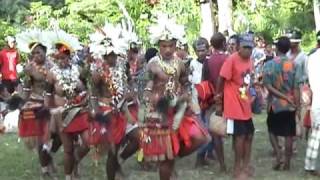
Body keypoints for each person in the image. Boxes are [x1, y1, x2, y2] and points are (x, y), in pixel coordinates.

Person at [140, 14, 209, 180]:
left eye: (171, 45)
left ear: (176, 45)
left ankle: (173, 161)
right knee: (166, 159)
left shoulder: (180, 63)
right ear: (158, 46)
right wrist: (151, 103)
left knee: (201, 138)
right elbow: (146, 89)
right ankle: (169, 169)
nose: (168, 50)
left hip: (178, 111)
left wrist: (185, 95)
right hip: (160, 114)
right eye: (164, 46)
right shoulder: (153, 65)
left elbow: (185, 83)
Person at [88, 21, 140, 180]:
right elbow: (93, 94)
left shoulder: (123, 64)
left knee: (139, 138)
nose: (110, 58)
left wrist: (132, 92)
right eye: (107, 55)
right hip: (107, 112)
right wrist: (97, 112)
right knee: (112, 149)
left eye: (113, 54)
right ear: (102, 55)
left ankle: (120, 160)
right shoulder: (98, 72)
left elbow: (130, 81)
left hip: (124, 110)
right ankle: (112, 173)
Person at [15, 29, 62, 179]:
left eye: (39, 52)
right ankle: (45, 171)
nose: (36, 55)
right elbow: (27, 89)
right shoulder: (30, 69)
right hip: (36, 105)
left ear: (45, 52)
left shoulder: (53, 67)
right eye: (34, 53)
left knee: (60, 136)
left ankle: (50, 155)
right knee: (42, 139)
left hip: (53, 104)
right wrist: (23, 104)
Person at [45, 30, 89, 180]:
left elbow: (86, 90)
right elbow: (48, 95)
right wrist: (51, 112)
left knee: (87, 143)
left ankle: (74, 162)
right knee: (68, 149)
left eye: (64, 58)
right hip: (61, 114)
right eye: (59, 59)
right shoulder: (51, 74)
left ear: (70, 57)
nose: (61, 61)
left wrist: (84, 97)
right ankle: (68, 176)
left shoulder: (78, 71)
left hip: (79, 111)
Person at [215, 33, 255, 179]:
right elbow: (220, 79)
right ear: (238, 47)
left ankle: (246, 165)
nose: (248, 50)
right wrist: (218, 100)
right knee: (240, 137)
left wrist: (253, 93)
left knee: (249, 135)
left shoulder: (250, 60)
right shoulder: (231, 60)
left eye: (250, 48)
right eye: (245, 47)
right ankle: (237, 169)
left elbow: (248, 79)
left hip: (245, 104)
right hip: (234, 106)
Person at [263, 36, 300, 171]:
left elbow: (267, 85)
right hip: (290, 104)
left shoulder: (269, 64)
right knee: (289, 134)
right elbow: (296, 87)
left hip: (275, 104)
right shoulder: (294, 64)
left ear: (277, 48)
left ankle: (278, 154)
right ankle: (287, 163)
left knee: (272, 129)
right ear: (289, 48)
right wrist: (297, 105)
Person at [201, 32, 228, 171]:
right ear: (224, 43)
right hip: (229, 98)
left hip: (213, 98)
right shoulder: (229, 59)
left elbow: (204, 82)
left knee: (216, 132)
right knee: (235, 130)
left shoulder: (208, 61)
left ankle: (222, 164)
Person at [304, 31, 320, 177]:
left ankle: (309, 164)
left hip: (317, 101)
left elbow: (307, 80)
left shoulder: (311, 58)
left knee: (316, 134)